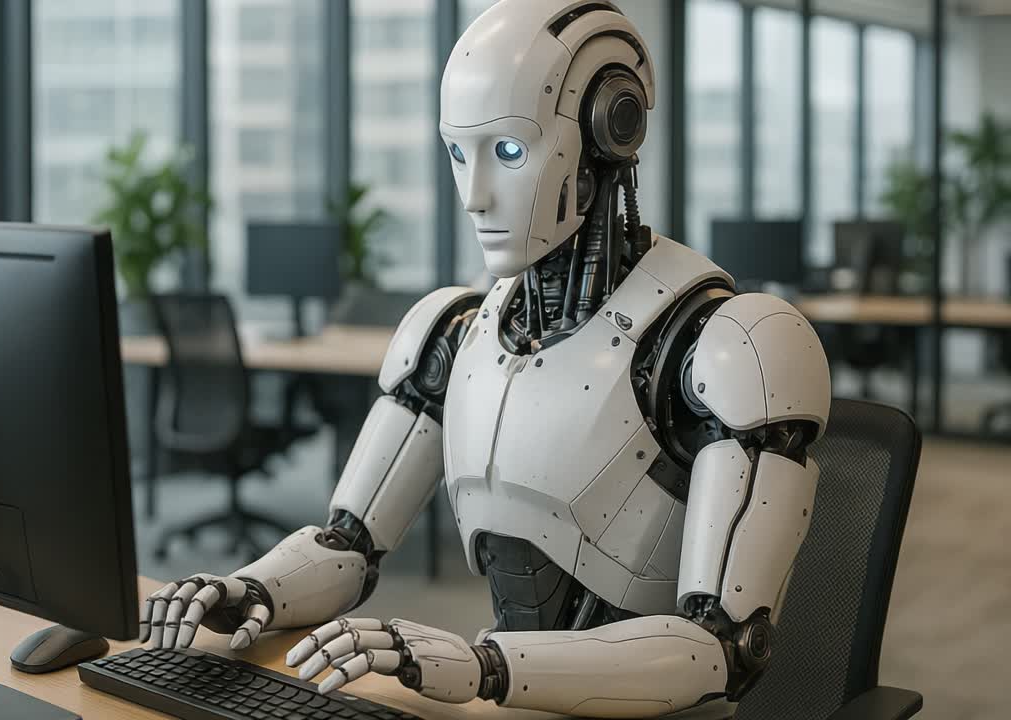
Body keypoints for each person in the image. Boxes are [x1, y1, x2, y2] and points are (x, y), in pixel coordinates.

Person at [141, 2, 830, 716]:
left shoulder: (721, 344)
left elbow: (721, 651)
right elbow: (347, 547)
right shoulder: (456, 330)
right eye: (457, 153)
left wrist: (485, 667)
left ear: (609, 129)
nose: (474, 197)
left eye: (508, 151)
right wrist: (253, 589)